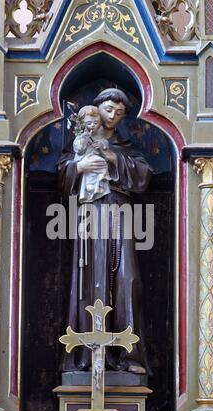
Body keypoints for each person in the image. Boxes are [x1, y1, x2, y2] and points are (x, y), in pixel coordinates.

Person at [58, 89, 153, 375]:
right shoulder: (79, 143)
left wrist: (113, 158)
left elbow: (143, 175)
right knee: (90, 278)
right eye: (109, 109)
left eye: (120, 113)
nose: (113, 116)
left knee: (127, 277)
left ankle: (129, 356)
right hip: (89, 215)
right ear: (96, 108)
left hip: (120, 213)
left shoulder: (126, 146)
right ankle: (87, 357)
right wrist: (79, 166)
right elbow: (63, 175)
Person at [73, 105, 111, 203]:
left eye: (96, 122)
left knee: (101, 162)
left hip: (96, 161)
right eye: (89, 123)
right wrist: (84, 138)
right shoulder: (81, 137)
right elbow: (79, 149)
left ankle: (101, 182)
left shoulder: (101, 138)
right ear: (82, 124)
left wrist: (101, 146)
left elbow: (106, 151)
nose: (92, 125)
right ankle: (90, 186)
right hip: (86, 160)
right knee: (93, 166)